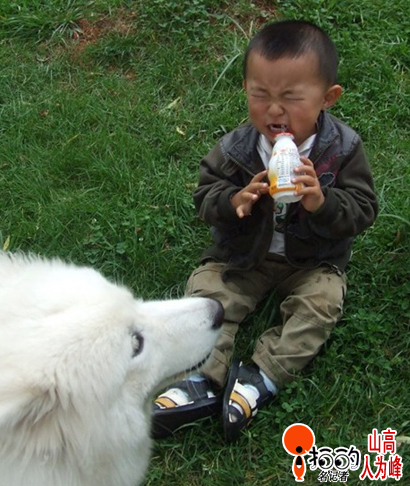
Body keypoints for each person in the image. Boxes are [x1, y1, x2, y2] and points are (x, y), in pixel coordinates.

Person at [152, 19, 378, 442]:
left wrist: (322, 203)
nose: (274, 110)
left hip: (313, 262)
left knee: (321, 304)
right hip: (243, 256)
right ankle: (200, 377)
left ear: (327, 98)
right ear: (245, 89)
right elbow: (205, 195)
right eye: (260, 95)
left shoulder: (342, 150)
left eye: (291, 97)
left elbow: (364, 209)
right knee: (208, 293)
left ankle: (261, 376)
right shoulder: (236, 148)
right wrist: (233, 201)